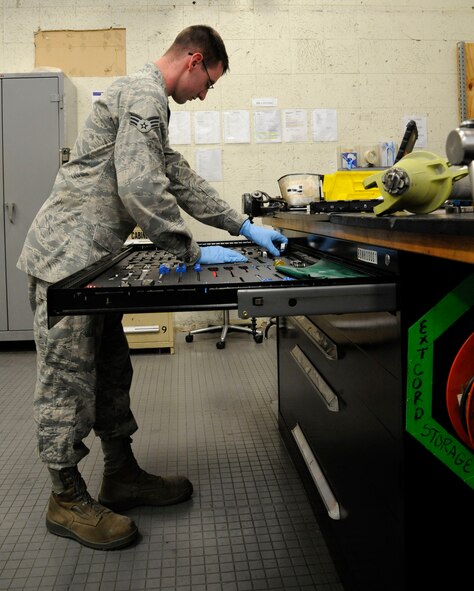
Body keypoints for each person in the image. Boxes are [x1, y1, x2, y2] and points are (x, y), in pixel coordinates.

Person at [17, 24, 287, 551]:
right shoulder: (144, 93)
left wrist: (240, 224)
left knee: (112, 368)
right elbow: (140, 186)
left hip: (93, 261)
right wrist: (187, 248)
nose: (204, 95)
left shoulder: (145, 101)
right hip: (65, 260)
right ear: (193, 59)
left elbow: (173, 174)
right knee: (67, 382)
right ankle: (65, 498)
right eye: (209, 81)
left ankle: (121, 475)